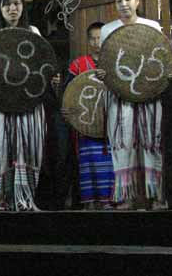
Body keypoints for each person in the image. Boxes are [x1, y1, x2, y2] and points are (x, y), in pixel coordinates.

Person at [0, 0, 61, 211]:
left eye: (17, 4)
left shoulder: (33, 31)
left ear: (22, 7)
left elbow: (43, 64)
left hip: (29, 102)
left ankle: (25, 199)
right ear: (0, 9)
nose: (12, 8)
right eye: (7, 4)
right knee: (1, 149)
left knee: (26, 148)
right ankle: (1, 200)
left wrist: (52, 77)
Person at [99, 0, 172, 210]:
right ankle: (126, 197)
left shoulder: (151, 26)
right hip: (119, 95)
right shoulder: (108, 30)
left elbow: (161, 57)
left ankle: (157, 197)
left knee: (151, 143)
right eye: (119, 1)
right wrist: (102, 73)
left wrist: (167, 73)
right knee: (123, 143)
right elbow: (105, 62)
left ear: (137, 1)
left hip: (149, 94)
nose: (123, 4)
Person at [62, 22, 115, 210]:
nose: (96, 42)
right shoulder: (78, 65)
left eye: (100, 38)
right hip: (85, 125)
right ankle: (90, 204)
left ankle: (110, 201)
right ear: (88, 41)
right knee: (88, 164)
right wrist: (67, 110)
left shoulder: (114, 63)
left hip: (110, 125)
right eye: (93, 38)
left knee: (111, 164)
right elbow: (68, 92)